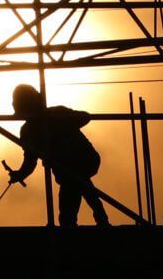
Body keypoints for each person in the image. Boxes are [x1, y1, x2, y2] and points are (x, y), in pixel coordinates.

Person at [6, 84, 110, 226]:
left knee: (71, 198)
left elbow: (85, 117)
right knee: (79, 183)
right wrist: (20, 174)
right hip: (66, 170)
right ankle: (100, 218)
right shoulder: (28, 131)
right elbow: (30, 161)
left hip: (84, 159)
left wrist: (61, 122)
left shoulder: (56, 113)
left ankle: (93, 219)